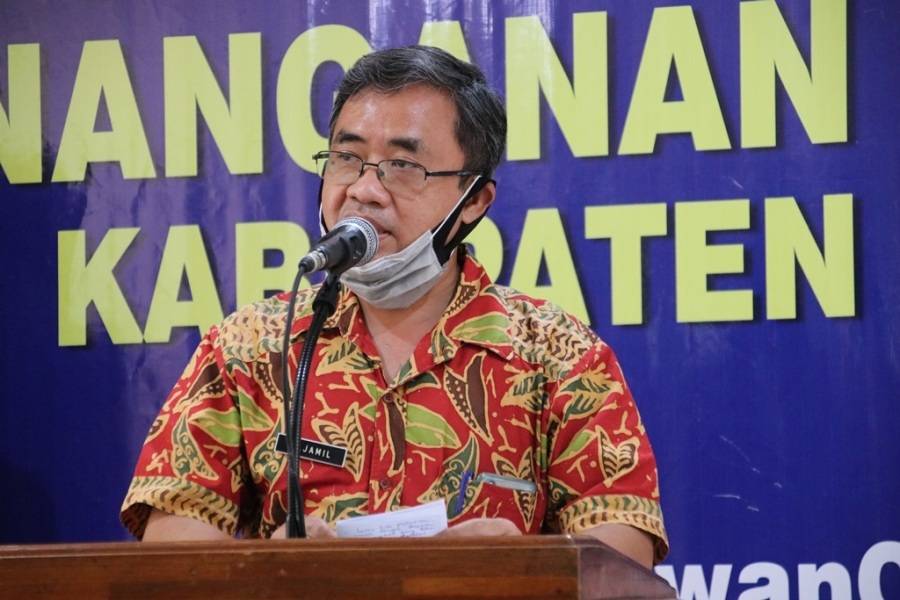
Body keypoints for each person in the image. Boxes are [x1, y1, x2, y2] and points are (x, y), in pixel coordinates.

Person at [121, 45, 668, 567]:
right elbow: (172, 532)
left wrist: (518, 567)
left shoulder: (558, 353)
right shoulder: (249, 346)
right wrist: (270, 569)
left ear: (473, 200)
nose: (364, 190)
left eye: (403, 166)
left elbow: (623, 543)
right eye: (347, 158)